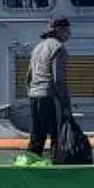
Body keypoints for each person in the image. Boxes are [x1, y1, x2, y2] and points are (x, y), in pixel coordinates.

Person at [26, 17, 71, 157]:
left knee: (37, 135)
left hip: (34, 95)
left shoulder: (37, 47)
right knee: (57, 136)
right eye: (67, 30)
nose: (69, 34)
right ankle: (56, 169)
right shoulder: (58, 48)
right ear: (59, 30)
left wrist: (32, 93)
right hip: (50, 96)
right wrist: (65, 102)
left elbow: (28, 77)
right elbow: (58, 80)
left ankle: (30, 165)